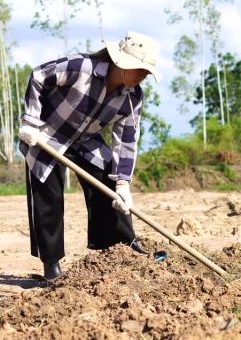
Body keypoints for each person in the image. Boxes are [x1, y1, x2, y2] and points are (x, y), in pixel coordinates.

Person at [18, 31, 161, 280]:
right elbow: (39, 75)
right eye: (141, 70)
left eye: (147, 72)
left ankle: (119, 248)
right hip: (47, 134)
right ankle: (51, 265)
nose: (144, 77)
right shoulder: (81, 67)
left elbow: (126, 140)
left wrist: (123, 183)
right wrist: (31, 120)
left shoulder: (133, 97)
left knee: (109, 178)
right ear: (123, 64)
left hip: (85, 140)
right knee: (47, 194)